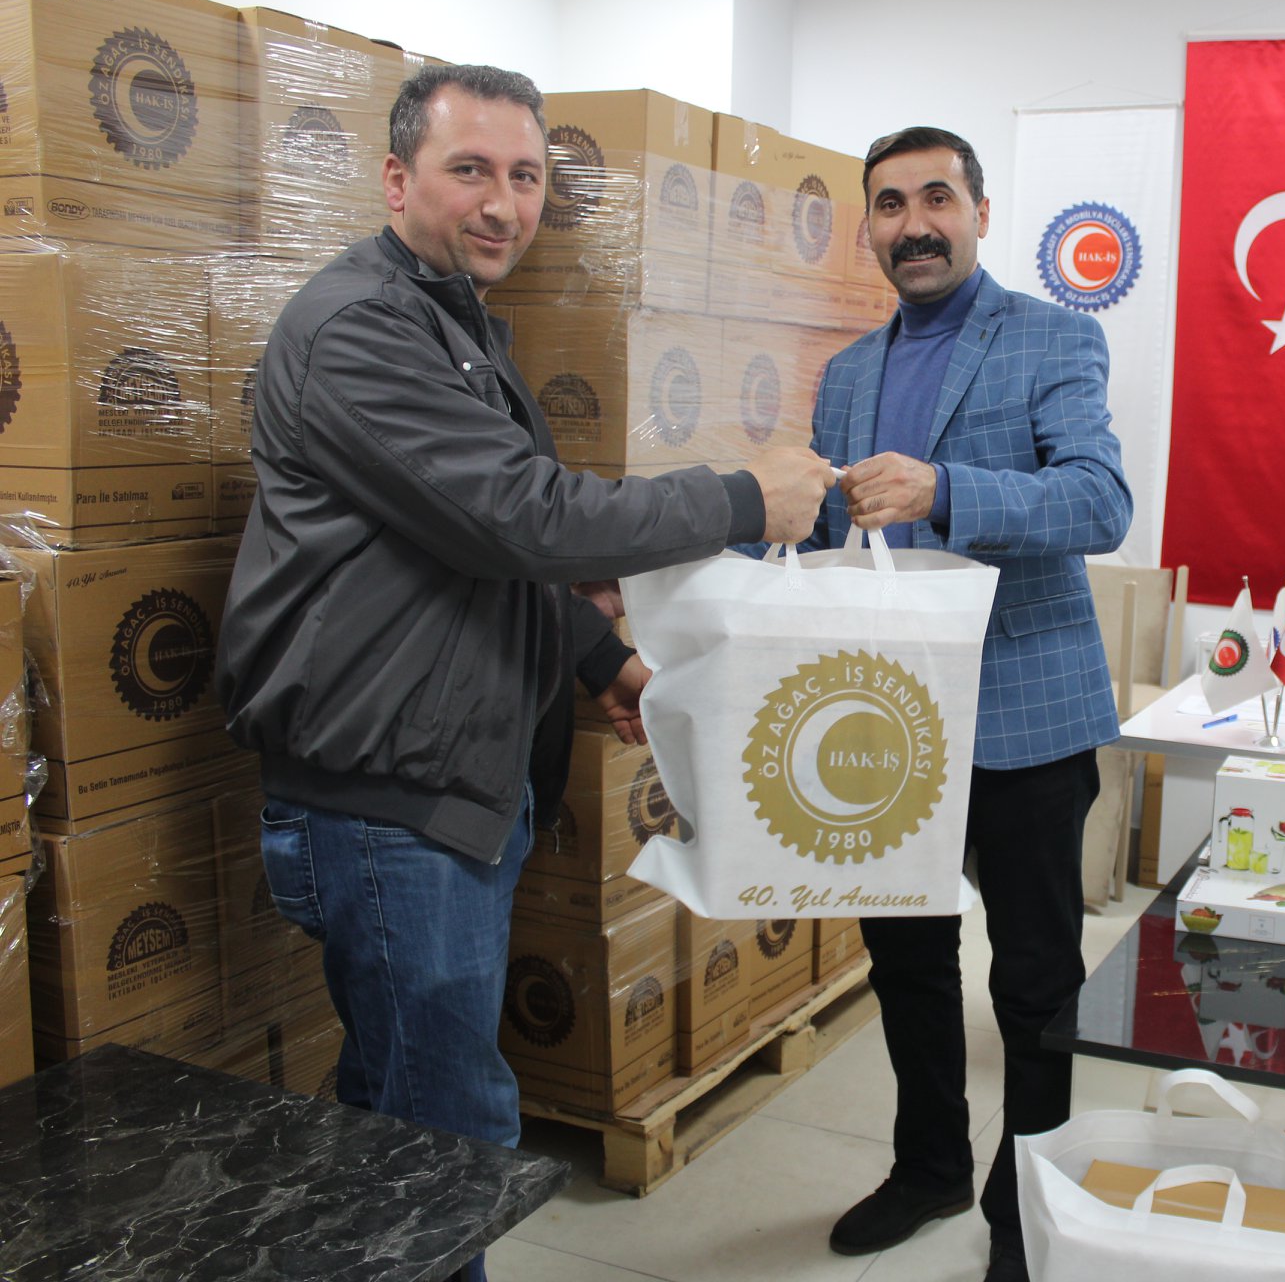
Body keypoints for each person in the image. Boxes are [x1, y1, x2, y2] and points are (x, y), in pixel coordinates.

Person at [214, 65, 835, 1282]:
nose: (503, 204)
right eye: (470, 171)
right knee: (447, 1145)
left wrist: (600, 660)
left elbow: (474, 552)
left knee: (402, 1122)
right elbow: (521, 517)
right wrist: (739, 500)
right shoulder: (360, 331)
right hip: (390, 805)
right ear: (396, 180)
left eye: (525, 176)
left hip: (451, 787)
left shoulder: (452, 329)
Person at [807, 126, 1132, 1282]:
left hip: (1025, 714)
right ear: (869, 229)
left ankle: (1024, 1211)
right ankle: (932, 1166)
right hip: (889, 724)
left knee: (1034, 982)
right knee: (905, 964)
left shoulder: (1053, 336)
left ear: (981, 213)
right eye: (891, 205)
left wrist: (944, 489)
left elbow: (1098, 502)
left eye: (937, 198)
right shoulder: (847, 374)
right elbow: (823, 531)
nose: (915, 225)